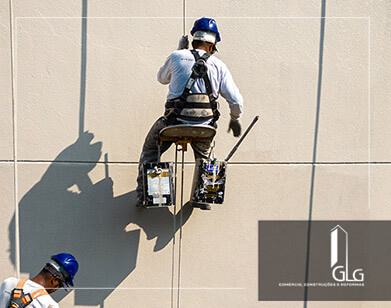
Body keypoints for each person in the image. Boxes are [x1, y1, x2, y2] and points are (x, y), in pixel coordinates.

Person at [136, 17, 243, 209]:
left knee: (152, 150)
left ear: (193, 40)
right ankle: (204, 197)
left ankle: (148, 194)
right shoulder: (219, 66)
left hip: (173, 124)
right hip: (204, 128)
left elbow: (161, 78)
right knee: (206, 156)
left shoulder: (177, 57)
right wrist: (235, 119)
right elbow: (236, 101)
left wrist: (179, 51)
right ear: (212, 45)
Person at [0, 253, 79, 308]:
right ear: (55, 280)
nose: (56, 290)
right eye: (60, 286)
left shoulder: (9, 282)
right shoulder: (50, 304)